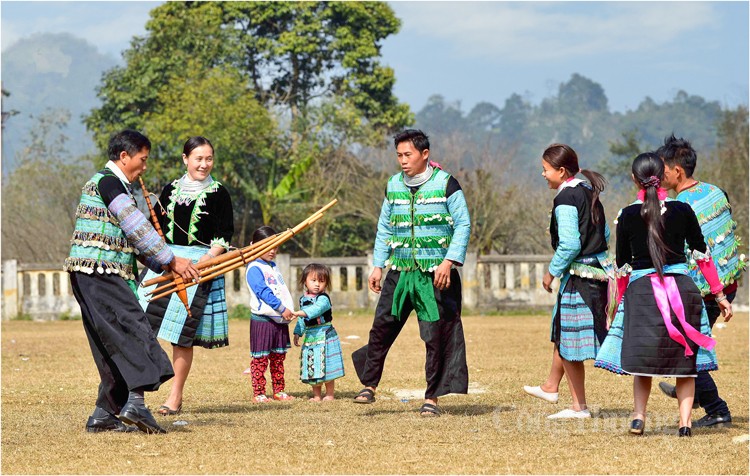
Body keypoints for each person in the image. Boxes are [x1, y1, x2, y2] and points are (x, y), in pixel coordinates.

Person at [64, 129, 199, 434]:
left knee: (109, 341)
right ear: (124, 157)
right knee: (133, 331)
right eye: (143, 159)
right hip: (102, 273)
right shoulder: (110, 183)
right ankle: (136, 405)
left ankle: (106, 412)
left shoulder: (107, 184)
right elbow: (136, 226)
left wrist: (165, 266)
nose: (145, 166)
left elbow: (130, 242)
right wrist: (172, 259)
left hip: (89, 274)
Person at [594, 152, 732, 437]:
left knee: (644, 359)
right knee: (685, 361)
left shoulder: (628, 215)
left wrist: (620, 304)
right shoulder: (683, 210)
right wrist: (718, 294)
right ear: (663, 177)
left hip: (643, 293)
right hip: (683, 290)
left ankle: (638, 418)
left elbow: (622, 266)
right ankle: (684, 425)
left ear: (635, 179)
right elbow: (703, 256)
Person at [351, 129, 471, 417]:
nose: (403, 161)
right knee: (382, 326)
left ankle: (432, 398)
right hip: (401, 270)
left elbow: (463, 224)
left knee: (436, 336)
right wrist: (378, 265)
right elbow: (385, 228)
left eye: (408, 155)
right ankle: (369, 384)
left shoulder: (446, 184)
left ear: (424, 154)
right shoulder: (393, 185)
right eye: (399, 156)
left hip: (435, 275)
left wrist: (448, 262)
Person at [136, 136, 234, 416]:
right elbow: (153, 229)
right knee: (141, 325)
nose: (204, 164)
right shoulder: (169, 190)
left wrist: (208, 259)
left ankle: (174, 396)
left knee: (182, 336)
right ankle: (136, 391)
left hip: (198, 268)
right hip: (165, 263)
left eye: (209, 159)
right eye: (198, 159)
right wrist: (160, 256)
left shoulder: (219, 193)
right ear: (185, 159)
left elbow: (224, 235)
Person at [656, 134, 746, 428]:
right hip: (727, 283)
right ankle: (692, 393)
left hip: (706, 289)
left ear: (677, 171)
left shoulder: (678, 206)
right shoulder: (716, 192)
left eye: (663, 169)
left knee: (686, 349)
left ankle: (716, 409)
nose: (659, 175)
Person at [523, 144, 612, 419]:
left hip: (578, 277)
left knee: (570, 342)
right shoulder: (588, 191)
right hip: (597, 272)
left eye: (546, 169)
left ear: (561, 172)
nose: (543, 174)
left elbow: (570, 243)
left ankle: (578, 407)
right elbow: (606, 233)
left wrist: (552, 271)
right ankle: (551, 386)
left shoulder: (565, 199)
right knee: (563, 333)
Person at [244, 226, 296, 403]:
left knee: (278, 357)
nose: (272, 251)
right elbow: (263, 292)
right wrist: (282, 308)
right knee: (260, 358)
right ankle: (259, 393)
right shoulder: (254, 268)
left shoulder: (272, 266)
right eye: (268, 246)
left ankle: (279, 390)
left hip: (279, 321)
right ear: (255, 246)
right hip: (263, 320)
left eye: (275, 246)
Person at [292, 263, 345, 401]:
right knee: (313, 365)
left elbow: (316, 310)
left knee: (326, 365)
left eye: (321, 281)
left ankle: (329, 394)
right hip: (310, 336)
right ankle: (316, 395)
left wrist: (300, 312)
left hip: (325, 334)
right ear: (305, 281)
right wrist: (298, 332)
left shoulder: (323, 299)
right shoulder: (303, 300)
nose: (317, 284)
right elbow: (303, 320)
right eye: (313, 280)